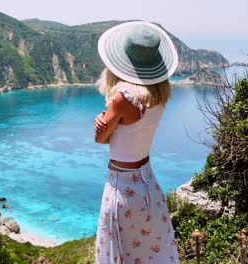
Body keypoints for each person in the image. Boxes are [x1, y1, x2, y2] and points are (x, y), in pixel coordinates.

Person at [93, 21, 180, 264]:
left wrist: (100, 124)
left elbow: (100, 139)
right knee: (150, 251)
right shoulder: (160, 94)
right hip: (148, 184)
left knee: (117, 253)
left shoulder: (124, 98)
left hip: (122, 186)